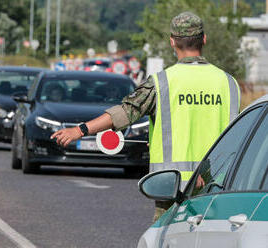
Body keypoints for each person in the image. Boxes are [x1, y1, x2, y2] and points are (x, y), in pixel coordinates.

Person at [51, 12, 240, 220]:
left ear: (172, 42)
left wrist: (80, 130)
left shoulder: (162, 82)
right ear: (204, 39)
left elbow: (124, 113)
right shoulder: (228, 83)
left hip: (173, 188)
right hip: (220, 187)